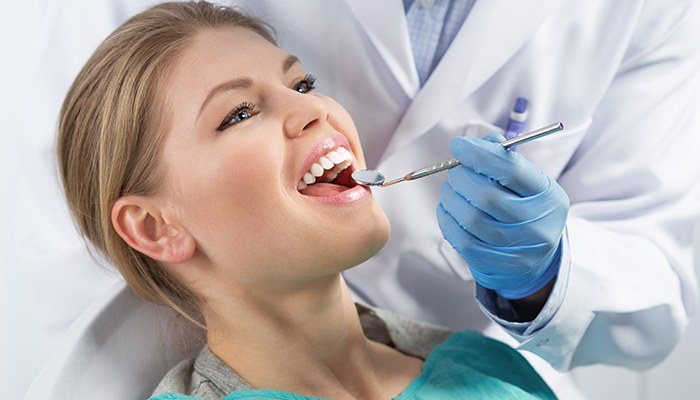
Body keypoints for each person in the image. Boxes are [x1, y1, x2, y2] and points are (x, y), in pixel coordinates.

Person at [23, 0, 700, 396]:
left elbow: (654, 260)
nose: (315, 109)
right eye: (238, 115)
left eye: (304, 80)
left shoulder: (495, 376)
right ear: (152, 225)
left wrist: (547, 277)